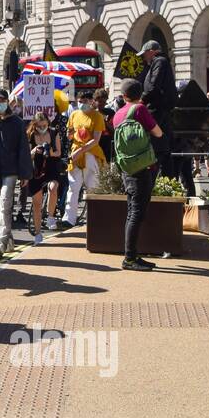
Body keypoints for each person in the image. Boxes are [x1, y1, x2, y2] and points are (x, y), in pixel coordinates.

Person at [113, 79, 164, 271]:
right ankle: (130, 258)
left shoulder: (118, 115)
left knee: (132, 211)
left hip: (127, 167)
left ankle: (133, 254)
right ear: (140, 94)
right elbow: (158, 133)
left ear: (124, 96)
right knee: (136, 213)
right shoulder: (139, 110)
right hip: (143, 166)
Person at [0, 88, 32, 255]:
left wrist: (25, 174)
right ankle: (9, 239)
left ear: (7, 101)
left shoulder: (17, 123)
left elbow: (23, 149)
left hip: (10, 171)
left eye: (2, 100)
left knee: (4, 205)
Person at [64, 91, 105, 228]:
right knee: (73, 186)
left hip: (91, 154)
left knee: (92, 187)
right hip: (75, 154)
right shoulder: (74, 114)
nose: (81, 104)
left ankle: (95, 219)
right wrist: (70, 135)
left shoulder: (97, 116)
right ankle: (69, 219)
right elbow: (69, 133)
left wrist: (81, 150)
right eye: (79, 101)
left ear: (90, 101)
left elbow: (96, 140)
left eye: (83, 101)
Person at [139, 40, 177, 179]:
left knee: (155, 144)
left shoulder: (159, 62)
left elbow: (153, 85)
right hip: (161, 108)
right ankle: (167, 179)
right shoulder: (161, 62)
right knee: (163, 146)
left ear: (151, 51)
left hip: (156, 108)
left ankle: (153, 178)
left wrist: (142, 100)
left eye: (145, 54)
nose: (144, 57)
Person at [24, 113, 64, 245]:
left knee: (53, 187)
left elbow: (59, 152)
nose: (42, 128)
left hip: (52, 166)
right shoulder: (30, 135)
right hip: (36, 169)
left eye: (45, 125)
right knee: (36, 203)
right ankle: (37, 232)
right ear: (34, 125)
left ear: (48, 123)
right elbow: (26, 156)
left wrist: (50, 151)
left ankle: (50, 216)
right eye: (39, 126)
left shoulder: (54, 133)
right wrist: (35, 150)